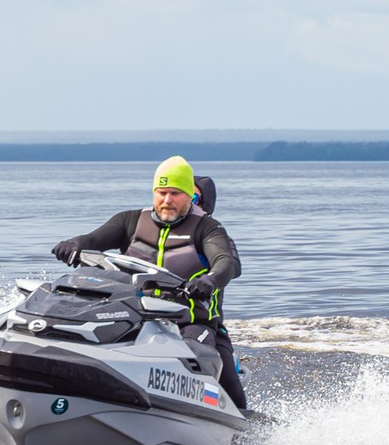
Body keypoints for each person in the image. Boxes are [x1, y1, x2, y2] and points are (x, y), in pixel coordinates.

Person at [51, 156, 248, 413]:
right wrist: (75, 244)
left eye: (175, 193)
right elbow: (93, 238)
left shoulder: (208, 229)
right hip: (135, 316)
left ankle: (240, 429)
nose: (167, 200)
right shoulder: (130, 221)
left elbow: (226, 262)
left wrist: (210, 279)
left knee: (209, 364)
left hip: (191, 323)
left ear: (189, 196)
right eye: (162, 192)